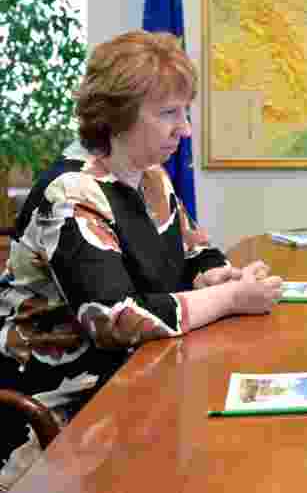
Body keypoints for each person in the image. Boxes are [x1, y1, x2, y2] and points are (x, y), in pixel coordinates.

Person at [0, 31, 283, 487]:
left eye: (185, 112)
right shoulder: (70, 194)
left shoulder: (151, 177)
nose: (184, 130)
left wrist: (216, 274)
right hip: (63, 408)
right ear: (118, 115)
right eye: (169, 113)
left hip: (137, 376)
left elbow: (196, 251)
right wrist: (232, 298)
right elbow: (117, 319)